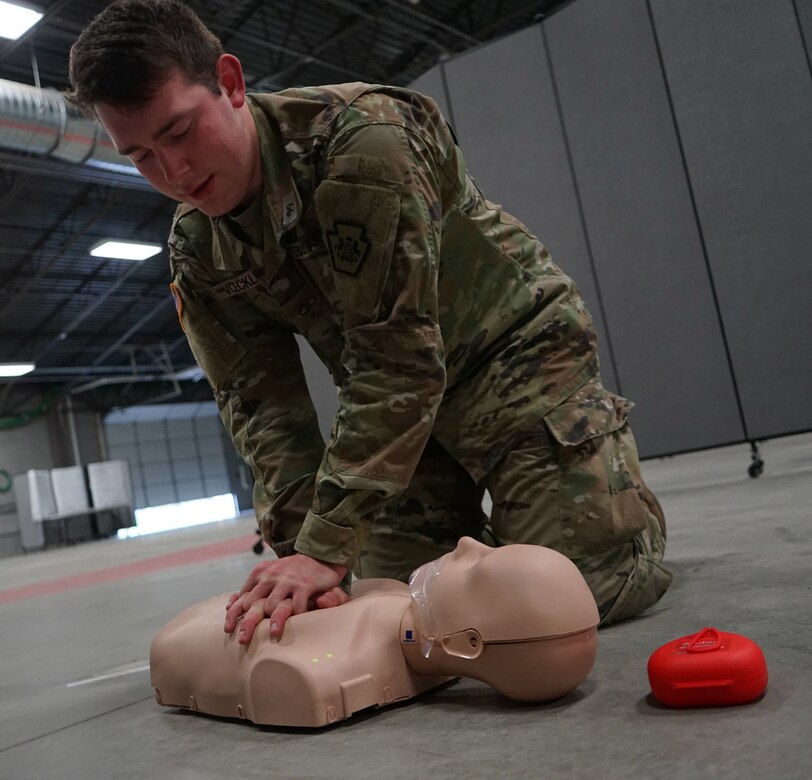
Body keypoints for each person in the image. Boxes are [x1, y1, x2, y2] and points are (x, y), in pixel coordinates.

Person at [68, 0, 672, 641]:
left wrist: (329, 545)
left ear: (231, 83)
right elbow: (261, 408)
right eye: (140, 157)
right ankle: (507, 539)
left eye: (180, 132)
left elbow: (399, 359)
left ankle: (619, 524)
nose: (175, 173)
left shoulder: (363, 142)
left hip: (515, 359)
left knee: (567, 607)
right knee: (400, 616)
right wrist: (307, 555)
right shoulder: (198, 249)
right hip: (403, 418)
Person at [149, 538, 600, 727]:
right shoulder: (391, 592)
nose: (467, 543)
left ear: (469, 644)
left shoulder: (322, 669)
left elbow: (283, 677)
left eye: (477, 567)